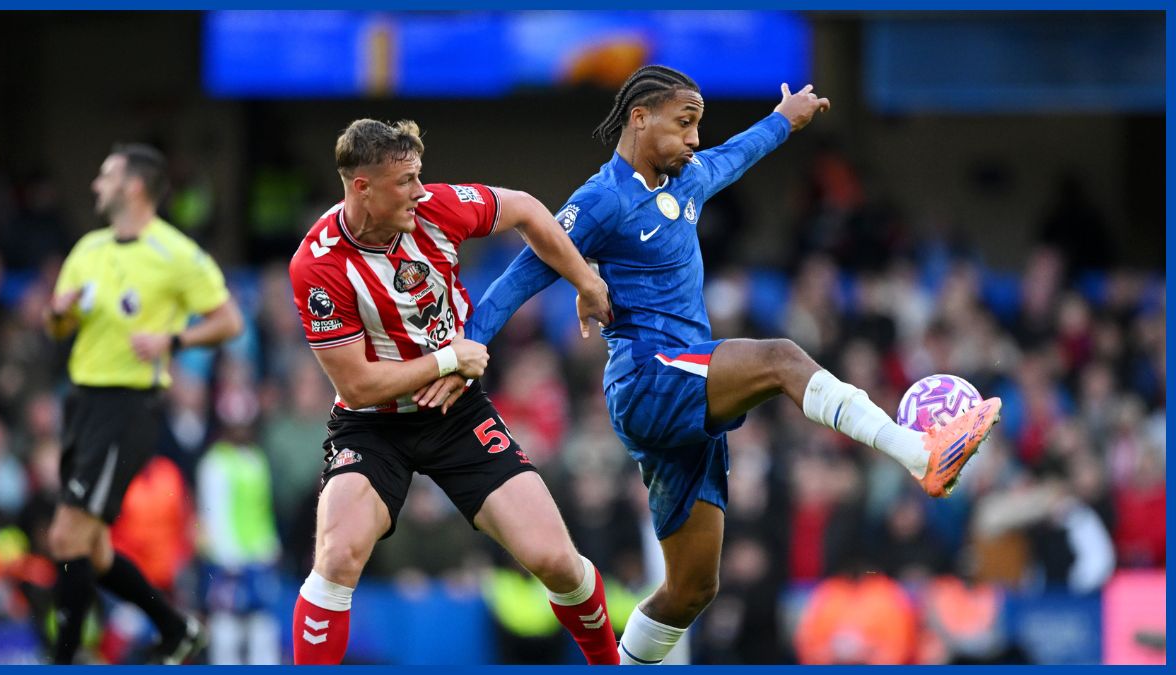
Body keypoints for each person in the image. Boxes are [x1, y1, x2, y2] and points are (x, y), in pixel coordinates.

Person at [429, 64, 1002, 664]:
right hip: (649, 378)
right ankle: (920, 452)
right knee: (780, 358)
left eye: (697, 125)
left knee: (692, 590)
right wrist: (463, 351)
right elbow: (520, 275)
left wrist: (784, 120)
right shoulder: (601, 201)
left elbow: (734, 154)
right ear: (639, 118)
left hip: (684, 394)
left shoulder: (687, 180)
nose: (695, 139)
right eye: (684, 124)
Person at [286, 118, 619, 665]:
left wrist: (584, 279)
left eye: (420, 177)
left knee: (556, 560)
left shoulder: (437, 208)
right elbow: (357, 384)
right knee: (337, 554)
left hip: (456, 414)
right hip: (373, 426)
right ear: (360, 186)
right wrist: (448, 358)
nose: (420, 191)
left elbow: (530, 210)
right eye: (405, 182)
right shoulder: (316, 265)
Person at [44, 143, 244, 664]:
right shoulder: (88, 248)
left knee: (67, 535)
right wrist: (58, 313)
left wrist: (171, 341)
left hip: (126, 406)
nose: (95, 185)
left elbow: (229, 321)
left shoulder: (174, 253)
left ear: (134, 186)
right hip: (81, 402)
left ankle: (62, 659)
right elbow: (56, 326)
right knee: (93, 549)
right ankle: (177, 630)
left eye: (105, 175)